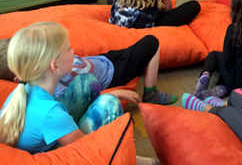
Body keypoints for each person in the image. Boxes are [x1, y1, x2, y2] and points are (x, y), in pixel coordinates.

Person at [0, 22, 159, 165]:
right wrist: (111, 106)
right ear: (55, 66)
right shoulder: (51, 114)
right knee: (109, 104)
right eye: (68, 49)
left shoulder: (28, 89)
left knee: (86, 82)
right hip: (54, 163)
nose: (73, 51)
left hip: (52, 137)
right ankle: (130, 162)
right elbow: (85, 148)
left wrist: (109, 94)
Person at [0, 35, 177, 106]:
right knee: (151, 42)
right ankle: (151, 93)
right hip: (112, 75)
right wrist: (114, 93)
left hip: (100, 61)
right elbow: (79, 104)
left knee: (132, 51)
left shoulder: (43, 65)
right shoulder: (51, 86)